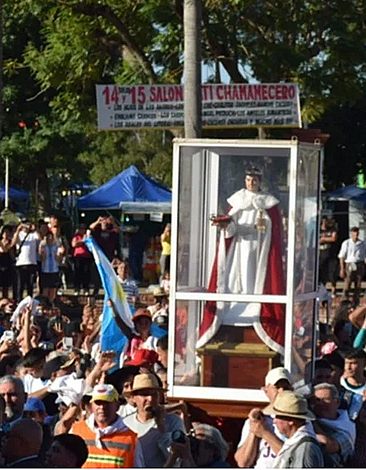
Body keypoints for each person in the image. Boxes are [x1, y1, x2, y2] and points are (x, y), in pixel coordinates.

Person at [201, 167, 285, 353]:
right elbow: (231, 229)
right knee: (236, 277)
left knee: (255, 278)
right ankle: (236, 309)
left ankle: (253, 308)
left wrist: (264, 229)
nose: (251, 183)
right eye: (248, 180)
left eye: (255, 180)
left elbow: (275, 231)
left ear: (260, 181)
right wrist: (227, 225)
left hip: (260, 248)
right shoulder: (237, 201)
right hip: (239, 248)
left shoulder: (268, 203)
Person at [234, 367, 293, 468]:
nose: (282, 391)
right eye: (277, 387)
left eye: (286, 387)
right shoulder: (257, 420)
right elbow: (242, 462)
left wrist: (265, 433)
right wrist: (254, 430)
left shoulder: (299, 420)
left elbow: (292, 460)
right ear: (266, 391)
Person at [69, 384, 138, 468]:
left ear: (117, 406)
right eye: (98, 403)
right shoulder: (76, 431)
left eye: (107, 403)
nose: (102, 407)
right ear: (91, 406)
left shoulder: (132, 438)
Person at [123, 373, 184, 467]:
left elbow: (178, 460)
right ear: (133, 398)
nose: (150, 399)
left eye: (154, 394)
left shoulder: (173, 422)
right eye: (144, 394)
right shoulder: (126, 424)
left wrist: (161, 427)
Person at [310, 383, 355, 466]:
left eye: (326, 399)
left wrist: (312, 421)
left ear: (337, 402)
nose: (321, 404)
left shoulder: (347, 427)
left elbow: (329, 445)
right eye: (317, 400)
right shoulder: (307, 422)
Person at [13, 222, 40, 300]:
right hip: (21, 263)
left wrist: (36, 229)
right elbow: (13, 242)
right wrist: (18, 230)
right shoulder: (19, 234)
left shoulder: (33, 234)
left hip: (32, 262)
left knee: (30, 285)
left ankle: (29, 300)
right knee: (20, 285)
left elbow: (40, 238)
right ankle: (18, 300)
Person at [338, 227, 366, 301]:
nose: (355, 234)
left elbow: (363, 255)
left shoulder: (362, 243)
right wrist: (342, 268)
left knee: (358, 282)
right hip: (349, 263)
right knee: (348, 281)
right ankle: (345, 298)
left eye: (357, 232)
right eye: (354, 232)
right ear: (351, 233)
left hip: (359, 263)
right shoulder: (346, 243)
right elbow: (341, 256)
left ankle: (356, 299)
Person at [71, 225, 91, 295]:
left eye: (83, 229)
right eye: (80, 229)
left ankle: (86, 288)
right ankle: (77, 288)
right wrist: (82, 241)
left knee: (86, 273)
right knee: (77, 272)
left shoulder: (88, 236)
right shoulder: (76, 236)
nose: (82, 230)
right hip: (78, 256)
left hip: (87, 256)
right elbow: (74, 244)